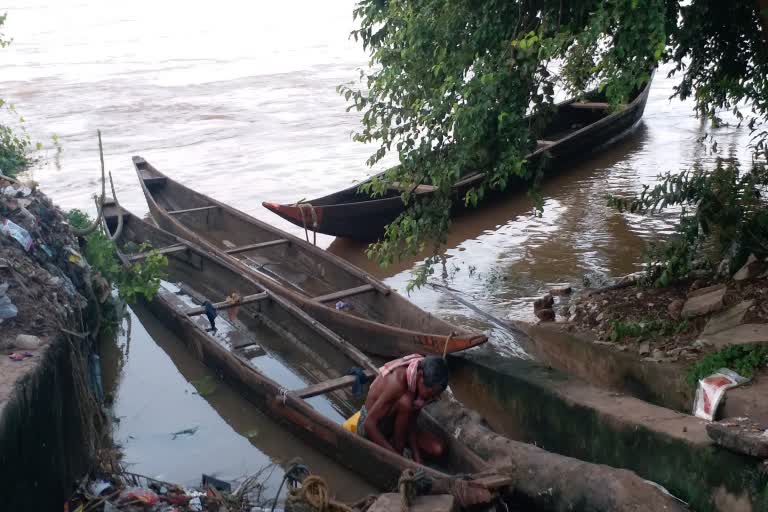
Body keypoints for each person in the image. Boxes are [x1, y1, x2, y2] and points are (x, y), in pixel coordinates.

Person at [343, 354, 449, 464]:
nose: (431, 399)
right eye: (430, 394)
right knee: (406, 403)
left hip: (393, 427)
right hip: (370, 427)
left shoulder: (418, 377)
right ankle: (398, 451)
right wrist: (398, 459)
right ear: (420, 376)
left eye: (434, 396)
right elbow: (368, 424)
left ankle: (398, 450)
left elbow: (411, 424)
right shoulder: (398, 382)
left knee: (438, 449)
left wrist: (417, 457)